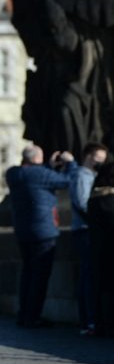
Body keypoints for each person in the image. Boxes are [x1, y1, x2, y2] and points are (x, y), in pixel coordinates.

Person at [5, 145, 77, 329]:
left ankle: (24, 314)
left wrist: (48, 166)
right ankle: (33, 317)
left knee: (28, 273)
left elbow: (37, 176)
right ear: (38, 158)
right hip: (43, 231)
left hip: (23, 230)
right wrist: (70, 163)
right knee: (40, 276)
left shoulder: (13, 174)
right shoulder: (39, 174)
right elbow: (68, 181)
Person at [69, 143, 108, 335]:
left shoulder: (90, 175)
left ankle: (91, 319)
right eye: (97, 158)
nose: (100, 162)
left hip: (89, 229)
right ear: (87, 156)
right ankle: (88, 321)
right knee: (88, 275)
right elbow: (83, 203)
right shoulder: (82, 175)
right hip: (85, 230)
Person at [86, 162, 114, 336]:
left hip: (97, 250)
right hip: (111, 249)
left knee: (99, 288)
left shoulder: (93, 199)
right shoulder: (111, 200)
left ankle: (98, 323)